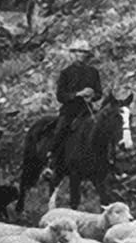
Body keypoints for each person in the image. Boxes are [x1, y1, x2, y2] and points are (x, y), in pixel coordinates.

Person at [43, 40, 103, 179]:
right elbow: (60, 96)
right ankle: (51, 163)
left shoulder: (93, 72)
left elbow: (99, 93)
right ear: (74, 54)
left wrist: (92, 96)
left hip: (87, 110)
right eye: (79, 52)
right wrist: (77, 94)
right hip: (70, 110)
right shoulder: (66, 73)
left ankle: (106, 163)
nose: (81, 55)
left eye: (84, 52)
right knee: (60, 130)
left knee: (102, 129)